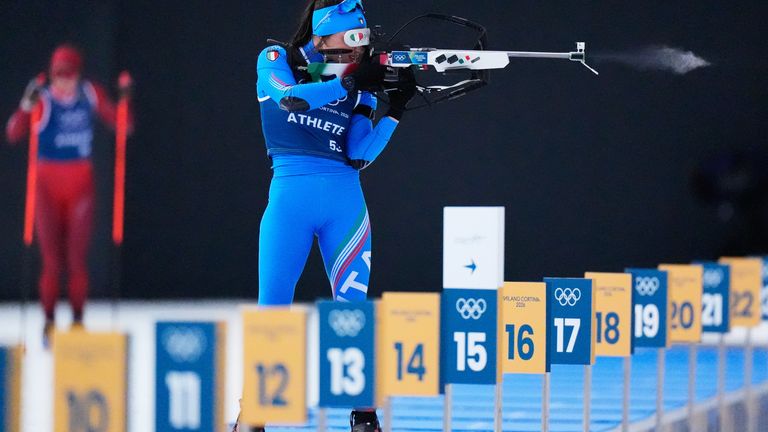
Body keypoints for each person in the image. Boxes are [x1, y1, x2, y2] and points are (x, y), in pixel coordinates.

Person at [241, 0, 415, 430]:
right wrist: (353, 79)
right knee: (273, 311)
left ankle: (363, 413)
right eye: (350, 40)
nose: (358, 50)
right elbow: (291, 98)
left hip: (345, 204)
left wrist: (394, 108)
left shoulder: (356, 80)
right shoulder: (277, 59)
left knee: (351, 313)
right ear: (320, 36)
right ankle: (256, 411)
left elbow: (359, 152)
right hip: (289, 202)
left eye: (363, 41)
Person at [5, 44, 133, 346]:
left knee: (77, 260)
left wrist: (124, 102)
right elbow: (13, 133)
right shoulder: (43, 99)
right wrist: (26, 106)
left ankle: (76, 323)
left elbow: (121, 125)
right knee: (52, 262)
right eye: (57, 76)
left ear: (78, 75)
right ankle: (48, 322)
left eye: (68, 75)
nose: (62, 82)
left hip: (80, 187)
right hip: (47, 187)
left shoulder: (90, 93)